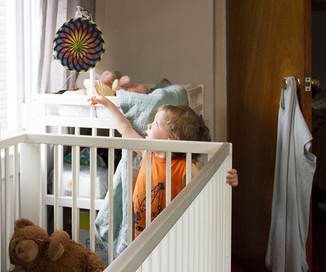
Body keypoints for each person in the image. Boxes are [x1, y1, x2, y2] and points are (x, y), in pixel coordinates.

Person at [88, 88, 238, 237]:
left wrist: (227, 181)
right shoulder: (148, 154)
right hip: (141, 234)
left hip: (170, 235)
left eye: (156, 124)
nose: (149, 125)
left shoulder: (184, 167)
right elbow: (125, 128)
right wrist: (106, 104)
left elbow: (207, 191)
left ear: (172, 139)